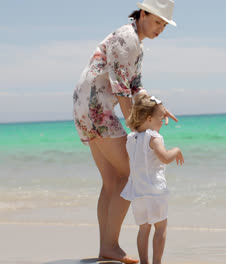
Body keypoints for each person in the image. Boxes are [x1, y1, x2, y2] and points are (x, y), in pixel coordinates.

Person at [72, 0, 177, 263]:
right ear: (142, 14)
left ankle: (107, 247)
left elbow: (135, 85)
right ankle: (111, 245)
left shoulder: (136, 44)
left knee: (112, 181)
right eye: (156, 22)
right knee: (130, 174)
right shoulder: (127, 39)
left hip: (86, 107)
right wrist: (139, 130)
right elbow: (121, 90)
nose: (159, 29)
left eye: (163, 25)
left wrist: (157, 106)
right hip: (97, 107)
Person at [121, 93, 184, 264]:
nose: (163, 121)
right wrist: (176, 150)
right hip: (155, 191)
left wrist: (160, 110)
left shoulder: (131, 138)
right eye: (160, 118)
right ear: (149, 118)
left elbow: (139, 121)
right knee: (161, 228)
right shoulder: (154, 137)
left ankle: (144, 262)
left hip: (138, 192)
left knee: (143, 229)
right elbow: (164, 157)